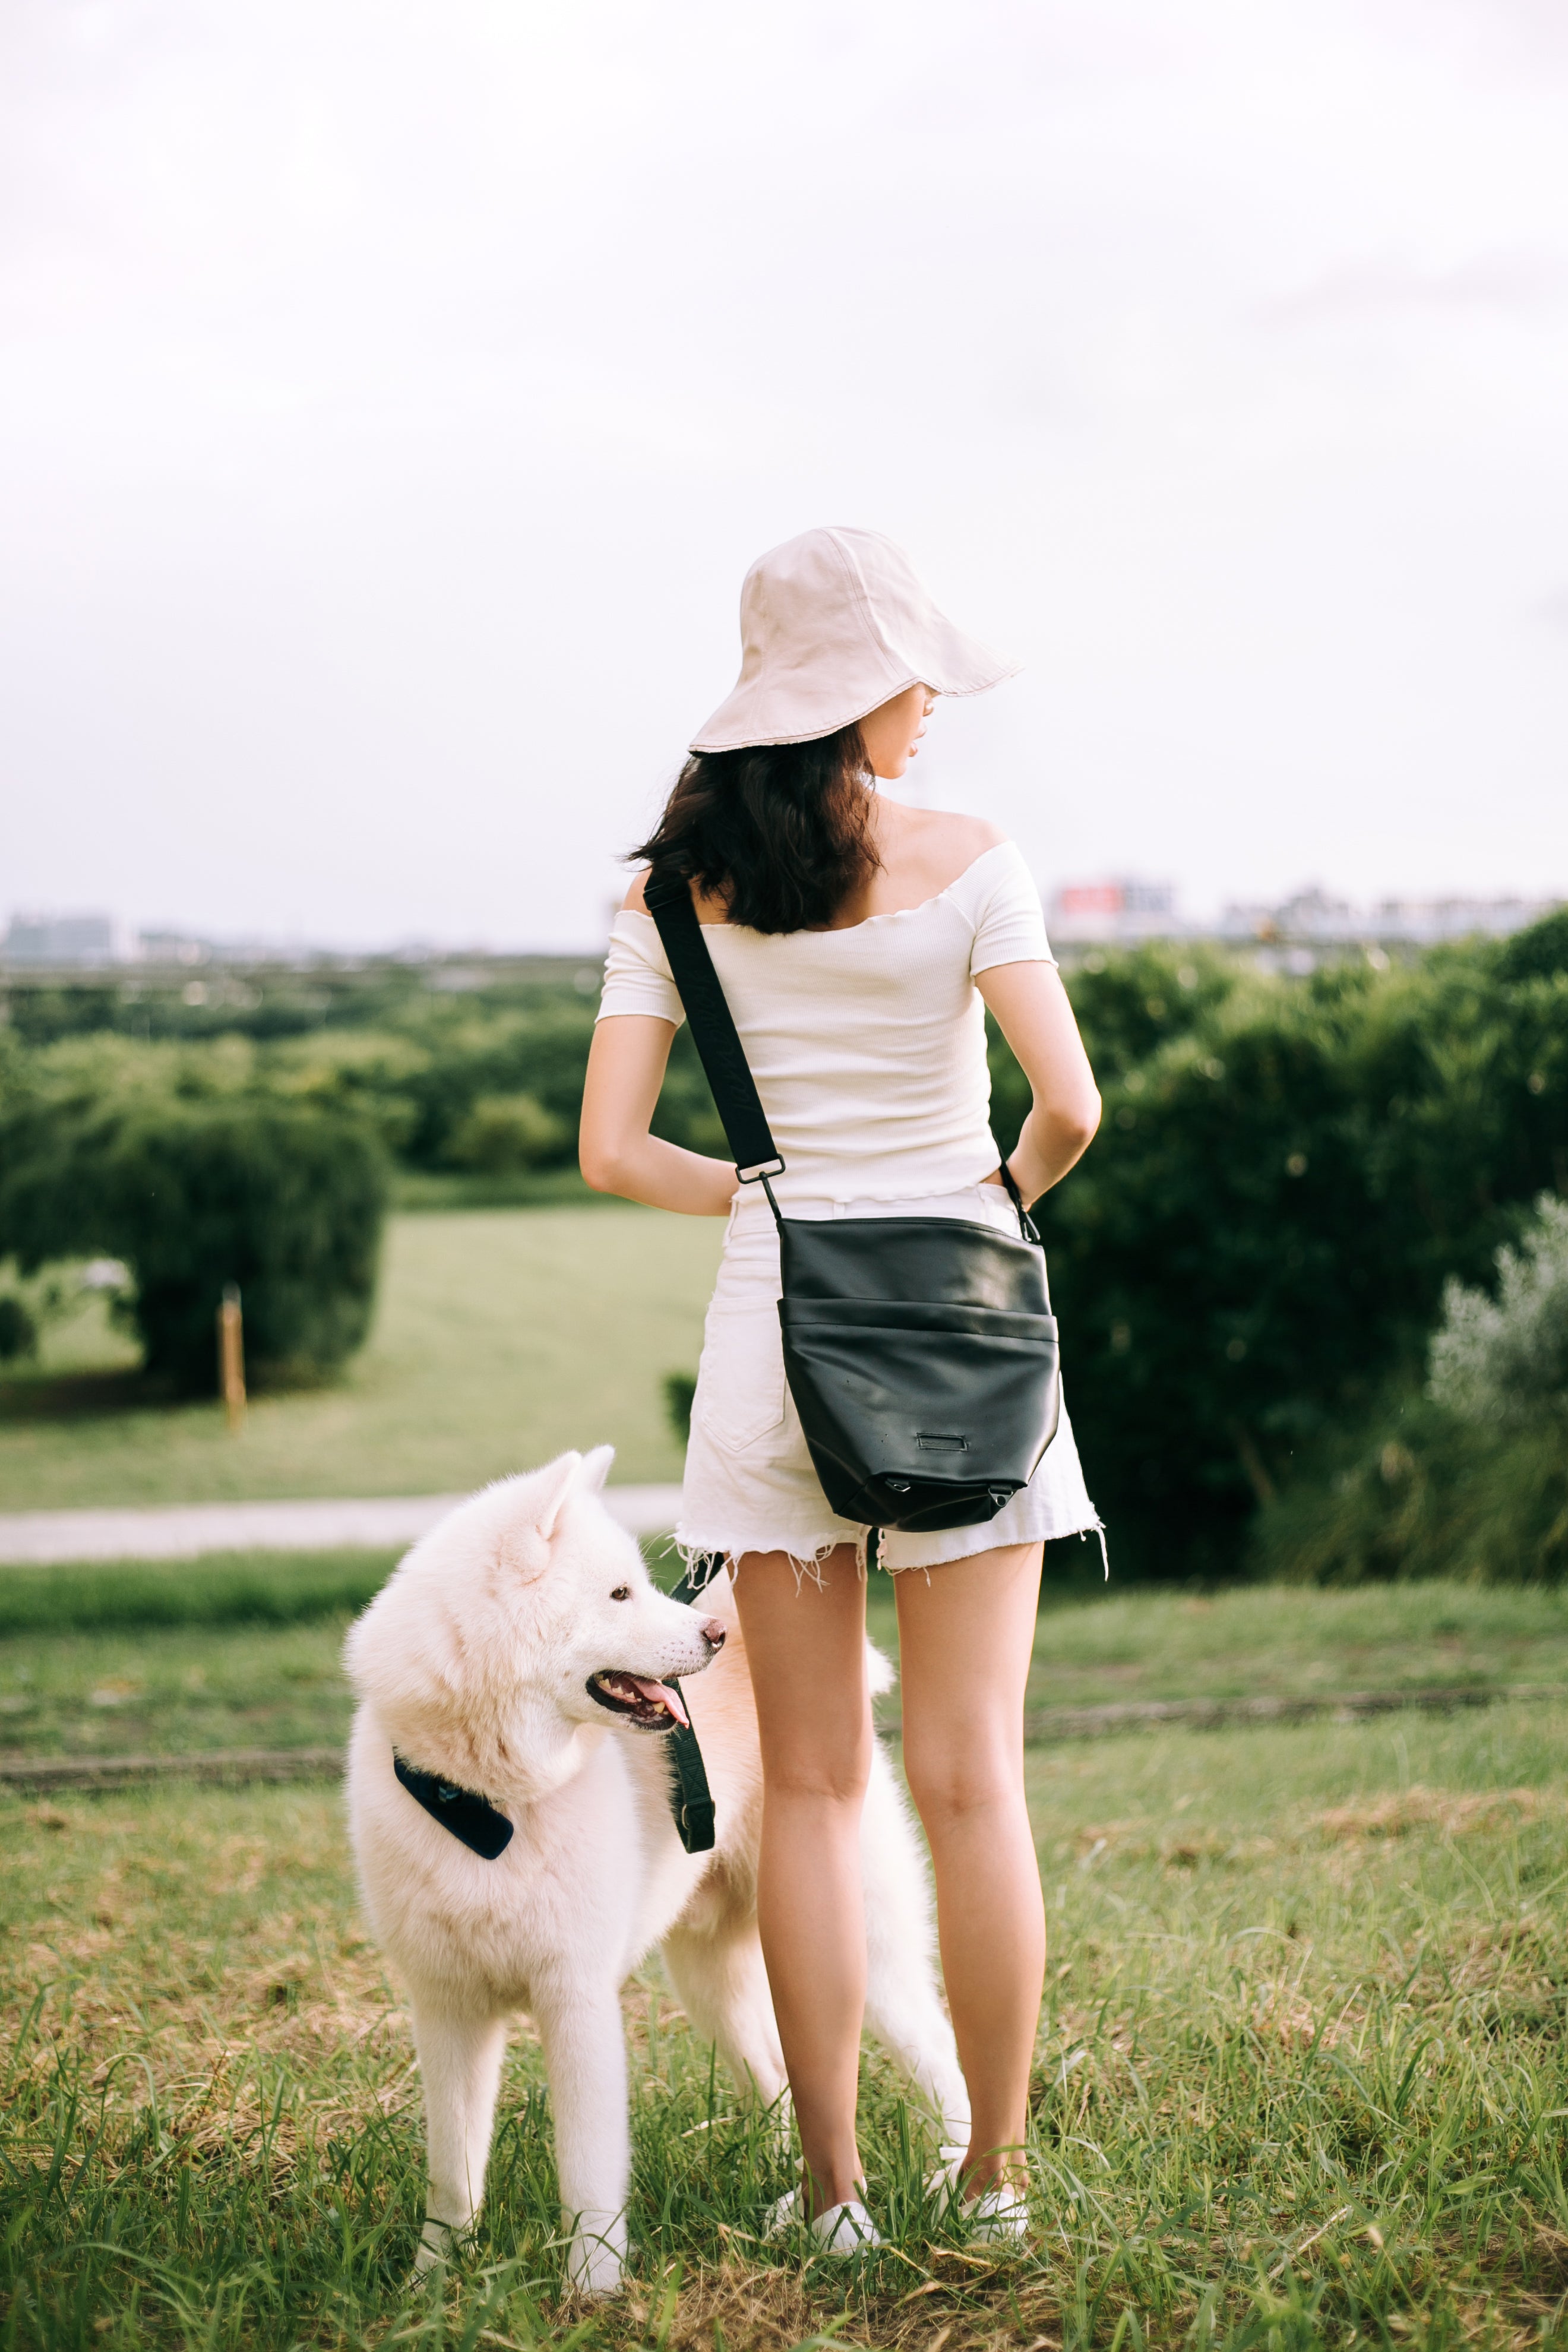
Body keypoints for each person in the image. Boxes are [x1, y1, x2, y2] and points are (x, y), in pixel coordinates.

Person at [579, 526, 1102, 2250]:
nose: (932, 695)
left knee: (809, 1787)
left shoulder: (671, 897)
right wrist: (987, 1201)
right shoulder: (972, 860)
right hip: (964, 1335)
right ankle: (996, 2179)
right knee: (974, 1780)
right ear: (851, 690)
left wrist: (760, 1198)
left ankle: (834, 2195)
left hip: (773, 1349)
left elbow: (610, 1151)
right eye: (909, 667)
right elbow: (1072, 1108)